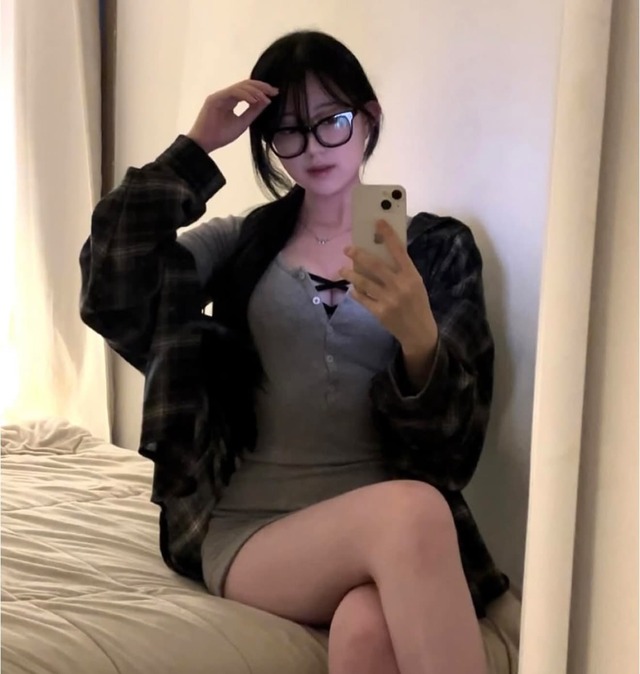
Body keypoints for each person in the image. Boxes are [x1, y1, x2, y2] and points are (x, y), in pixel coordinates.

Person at [80, 29, 512, 674]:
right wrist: (196, 147)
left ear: (369, 118)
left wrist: (420, 338)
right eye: (288, 132)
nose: (312, 148)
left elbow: (454, 450)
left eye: (331, 122)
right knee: (413, 510)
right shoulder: (243, 244)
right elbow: (112, 288)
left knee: (367, 629)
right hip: (257, 528)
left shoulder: (433, 250)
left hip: (389, 534)